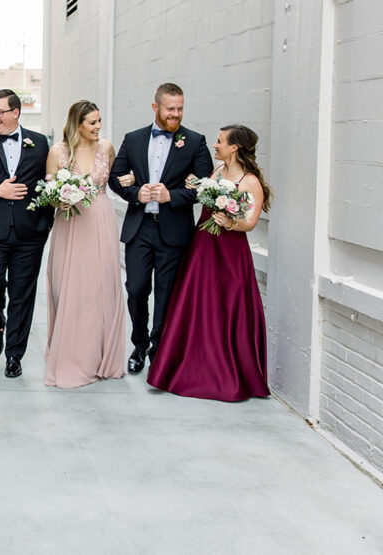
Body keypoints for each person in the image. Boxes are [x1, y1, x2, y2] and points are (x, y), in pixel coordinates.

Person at [148, 125, 272, 401]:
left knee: (228, 306)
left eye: (219, 142)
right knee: (198, 305)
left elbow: (250, 223)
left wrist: (230, 221)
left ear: (234, 147)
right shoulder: (216, 172)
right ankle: (189, 368)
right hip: (203, 247)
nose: (215, 146)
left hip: (229, 253)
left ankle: (227, 373)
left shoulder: (249, 181)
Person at [109, 83, 214, 373]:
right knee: (136, 288)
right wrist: (135, 194)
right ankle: (139, 344)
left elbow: (206, 186)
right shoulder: (133, 139)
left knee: (166, 294)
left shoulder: (194, 141)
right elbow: (116, 177)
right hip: (140, 228)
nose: (176, 114)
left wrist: (174, 196)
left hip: (173, 231)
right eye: (170, 109)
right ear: (156, 107)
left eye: (180, 108)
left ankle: (159, 349)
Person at [0, 89, 53, 378]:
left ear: (16, 112)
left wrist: (46, 222)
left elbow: (48, 183)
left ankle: (14, 355)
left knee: (22, 295)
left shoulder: (40, 143)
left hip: (31, 233)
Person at [43, 101, 125, 388]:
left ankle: (100, 357)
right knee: (67, 286)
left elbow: (114, 182)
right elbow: (49, 195)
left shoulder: (108, 148)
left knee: (100, 288)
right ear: (77, 124)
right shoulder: (58, 152)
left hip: (100, 221)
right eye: (92, 122)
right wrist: (62, 198)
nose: (98, 126)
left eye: (99, 121)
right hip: (70, 222)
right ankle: (70, 354)